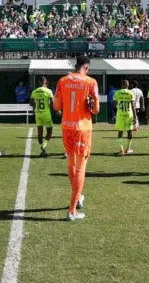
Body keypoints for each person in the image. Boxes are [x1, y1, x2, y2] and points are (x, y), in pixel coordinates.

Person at [53, 55, 99, 221]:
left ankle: (78, 197)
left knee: (71, 164)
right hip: (82, 128)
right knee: (80, 167)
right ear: (86, 67)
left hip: (67, 126)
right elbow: (96, 110)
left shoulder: (63, 80)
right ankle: (72, 210)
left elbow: (57, 105)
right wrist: (90, 105)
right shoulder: (90, 82)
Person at [30, 77, 55, 157]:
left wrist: (36, 104)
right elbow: (52, 103)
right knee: (49, 131)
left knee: (40, 132)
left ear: (39, 82)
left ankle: (41, 148)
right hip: (46, 113)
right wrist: (55, 110)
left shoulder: (34, 91)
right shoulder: (48, 91)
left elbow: (31, 103)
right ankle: (44, 146)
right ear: (45, 82)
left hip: (38, 113)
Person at [113, 79, 137, 156]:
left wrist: (119, 109)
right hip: (129, 114)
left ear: (121, 85)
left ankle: (121, 150)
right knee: (129, 131)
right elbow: (133, 106)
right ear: (128, 85)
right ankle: (128, 149)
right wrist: (135, 116)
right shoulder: (131, 93)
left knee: (120, 132)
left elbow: (114, 105)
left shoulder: (117, 92)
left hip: (120, 114)